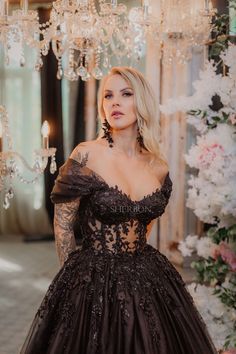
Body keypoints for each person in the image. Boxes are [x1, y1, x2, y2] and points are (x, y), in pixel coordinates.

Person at [20, 66, 218, 354]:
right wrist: (74, 284)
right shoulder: (87, 153)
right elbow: (63, 225)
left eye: (126, 94)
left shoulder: (158, 166)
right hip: (91, 276)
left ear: (142, 101)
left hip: (147, 275)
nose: (115, 102)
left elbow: (144, 225)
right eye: (108, 96)